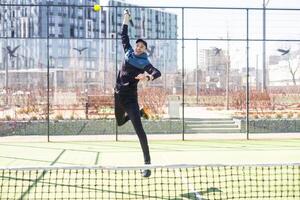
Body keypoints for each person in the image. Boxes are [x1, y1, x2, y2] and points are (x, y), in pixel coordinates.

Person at [114, 9, 161, 178]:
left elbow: (157, 72)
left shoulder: (144, 62)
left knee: (139, 130)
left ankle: (147, 164)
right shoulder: (128, 52)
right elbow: (123, 35)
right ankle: (141, 113)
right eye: (138, 44)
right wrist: (126, 18)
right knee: (119, 123)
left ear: (145, 50)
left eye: (142, 46)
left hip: (130, 100)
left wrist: (147, 77)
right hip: (117, 96)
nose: (139, 46)